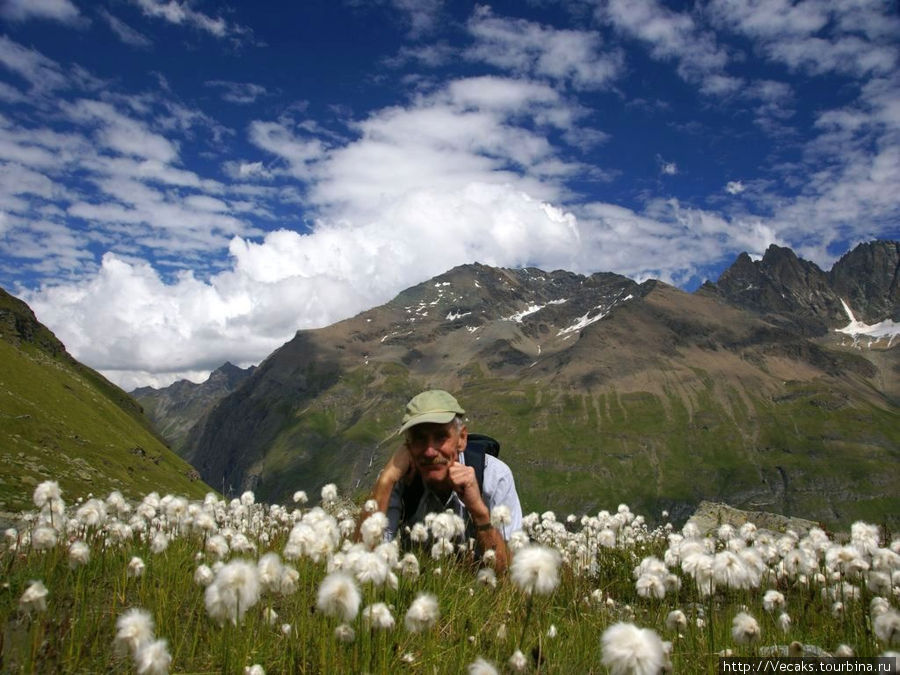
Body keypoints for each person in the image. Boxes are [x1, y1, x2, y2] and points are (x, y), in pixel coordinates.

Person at [368, 390, 522, 573]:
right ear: (407, 445)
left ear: (462, 439)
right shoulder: (396, 480)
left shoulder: (495, 477)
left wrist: (479, 511)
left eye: (441, 437)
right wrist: (385, 481)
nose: (429, 452)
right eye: (419, 439)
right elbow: (363, 564)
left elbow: (509, 573)